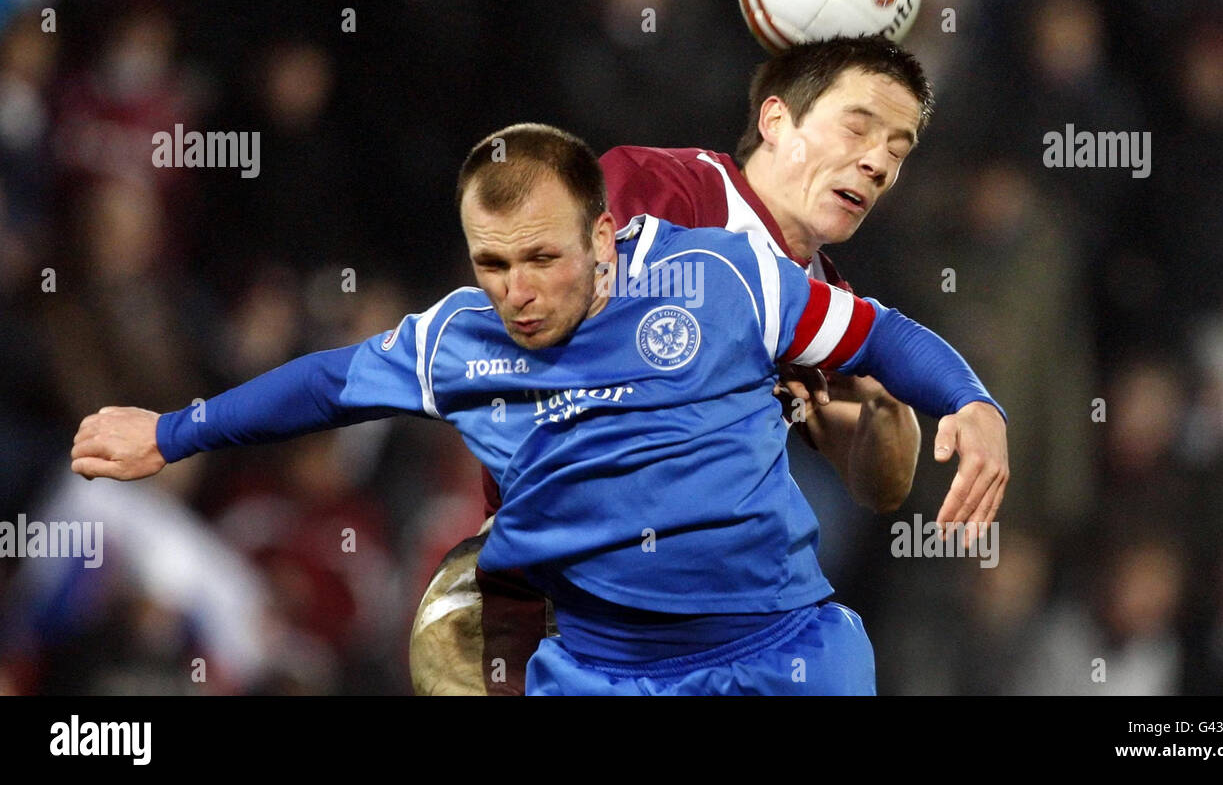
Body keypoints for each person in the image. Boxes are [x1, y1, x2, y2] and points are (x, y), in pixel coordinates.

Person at [71, 123, 1009, 696]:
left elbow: (878, 334)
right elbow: (321, 386)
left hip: (785, 651)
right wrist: (168, 431)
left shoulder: (722, 276)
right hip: (602, 673)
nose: (517, 291)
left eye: (544, 259)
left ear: (604, 233)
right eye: (493, 263)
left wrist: (968, 397)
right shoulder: (459, 341)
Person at [416, 36, 958, 695]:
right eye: (858, 129)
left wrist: (880, 400)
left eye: (897, 152)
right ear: (776, 120)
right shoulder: (660, 189)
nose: (877, 163)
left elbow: (882, 483)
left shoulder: (827, 305)